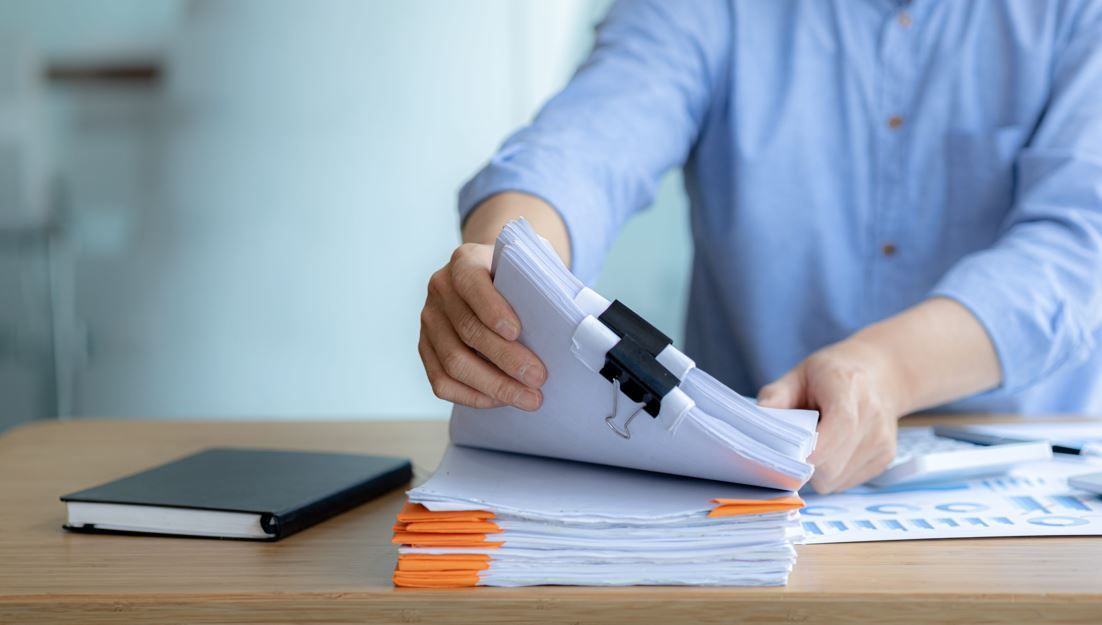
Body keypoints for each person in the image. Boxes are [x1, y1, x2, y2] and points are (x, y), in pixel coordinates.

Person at [418, 0, 1102, 493]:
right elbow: (592, 136)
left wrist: (889, 369)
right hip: (732, 481)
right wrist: (506, 264)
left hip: (1026, 479)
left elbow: (1079, 243)